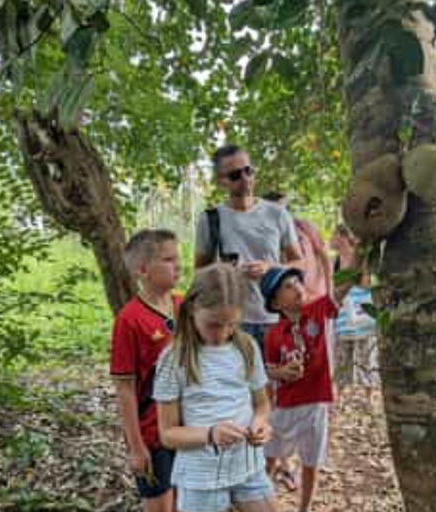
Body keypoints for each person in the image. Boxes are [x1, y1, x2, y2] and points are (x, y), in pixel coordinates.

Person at [154, 264, 278, 512]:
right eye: (213, 324)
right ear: (191, 309)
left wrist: (261, 424)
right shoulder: (175, 358)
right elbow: (167, 434)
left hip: (248, 466)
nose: (222, 333)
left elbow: (262, 404)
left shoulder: (247, 347)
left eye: (231, 324)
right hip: (200, 476)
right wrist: (210, 434)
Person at [259, 264, 354, 512]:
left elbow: (343, 288)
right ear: (276, 304)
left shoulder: (318, 310)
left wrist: (357, 256)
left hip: (314, 404)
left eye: (297, 282)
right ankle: (261, 504)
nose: (297, 288)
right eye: (288, 287)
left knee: (310, 463)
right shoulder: (272, 335)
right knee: (268, 459)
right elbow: (266, 372)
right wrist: (281, 372)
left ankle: (305, 508)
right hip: (283, 407)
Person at [194, 145, 303, 350]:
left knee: (280, 380)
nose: (245, 178)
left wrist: (271, 268)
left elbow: (300, 262)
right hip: (232, 321)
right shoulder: (210, 219)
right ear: (221, 181)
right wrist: (227, 273)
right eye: (235, 175)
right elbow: (199, 273)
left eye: (248, 170)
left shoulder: (277, 214)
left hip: (276, 317)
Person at [110, 229, 182, 512]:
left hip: (186, 425)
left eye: (177, 257)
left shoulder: (182, 305)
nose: (178, 265)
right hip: (152, 433)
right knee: (160, 504)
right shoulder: (129, 319)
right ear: (142, 269)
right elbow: (124, 389)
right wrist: (137, 447)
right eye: (168, 259)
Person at [330, 225, 378, 404]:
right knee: (341, 355)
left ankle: (369, 394)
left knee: (366, 354)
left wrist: (354, 273)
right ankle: (339, 395)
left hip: (360, 311)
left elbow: (366, 285)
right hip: (341, 314)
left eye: (334, 235)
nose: (330, 240)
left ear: (342, 237)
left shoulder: (361, 259)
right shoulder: (333, 262)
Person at [261, 192, 330, 301]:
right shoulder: (267, 237)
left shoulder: (303, 225)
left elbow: (325, 258)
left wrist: (330, 291)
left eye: (283, 207)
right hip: (293, 300)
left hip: (318, 292)